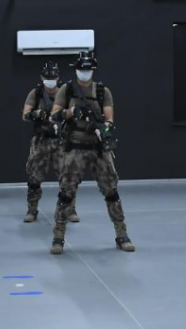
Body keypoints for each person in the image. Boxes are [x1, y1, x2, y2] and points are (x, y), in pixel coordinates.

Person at [49, 51, 134, 255]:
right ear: (76, 69)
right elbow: (54, 116)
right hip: (75, 147)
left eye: (88, 69)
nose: (84, 72)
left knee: (111, 191)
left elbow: (109, 118)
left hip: (97, 148)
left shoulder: (103, 91)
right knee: (66, 193)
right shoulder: (67, 90)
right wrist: (71, 112)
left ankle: (121, 233)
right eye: (81, 68)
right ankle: (58, 236)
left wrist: (104, 128)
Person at [21, 62, 79, 224]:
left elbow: (74, 112)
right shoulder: (36, 93)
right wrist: (38, 113)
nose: (50, 80)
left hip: (61, 141)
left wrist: (62, 114)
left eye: (53, 77)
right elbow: (25, 115)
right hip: (41, 141)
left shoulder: (65, 93)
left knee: (67, 176)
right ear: (42, 77)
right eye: (47, 77)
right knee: (34, 176)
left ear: (58, 78)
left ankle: (70, 209)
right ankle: (32, 209)